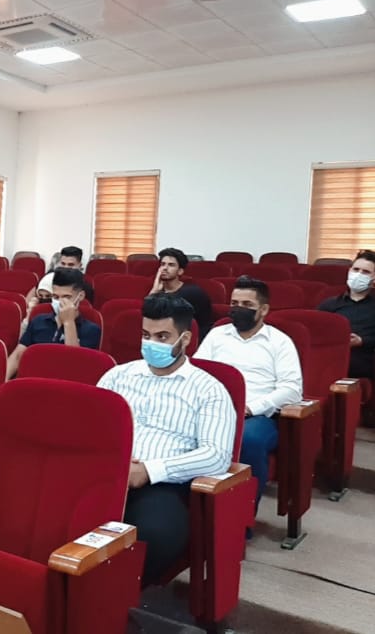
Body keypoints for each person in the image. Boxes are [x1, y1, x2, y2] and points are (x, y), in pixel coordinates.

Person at [97, 294, 235, 585]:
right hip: (105, 474)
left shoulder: (209, 390)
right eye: (146, 335)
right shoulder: (116, 376)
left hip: (162, 485)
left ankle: (111, 598)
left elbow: (216, 455)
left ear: (185, 339)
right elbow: (90, 426)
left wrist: (149, 470)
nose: (151, 343)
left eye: (162, 337)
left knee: (156, 534)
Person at [195, 276, 302, 514]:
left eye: (247, 305)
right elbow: (199, 372)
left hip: (257, 415)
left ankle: (241, 517)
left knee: (249, 441)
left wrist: (251, 408)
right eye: (234, 303)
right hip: (215, 408)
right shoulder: (217, 335)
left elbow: (292, 389)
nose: (238, 309)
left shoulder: (280, 342)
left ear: (263, 310)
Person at [6, 268, 101, 379]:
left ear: (80, 296)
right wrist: (2, 381)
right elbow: (17, 356)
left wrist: (68, 322)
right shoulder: (38, 321)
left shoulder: (91, 330)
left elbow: (75, 365)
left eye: (66, 297)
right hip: (33, 379)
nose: (60, 302)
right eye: (55, 297)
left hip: (64, 383)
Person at [318, 250, 375, 380]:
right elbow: (315, 334)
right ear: (349, 271)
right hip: (330, 361)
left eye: (365, 272)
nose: (358, 275)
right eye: (356, 269)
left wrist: (362, 341)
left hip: (362, 364)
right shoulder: (328, 304)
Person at [149, 248, 212, 341]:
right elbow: (146, 318)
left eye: (171, 265)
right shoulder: (156, 292)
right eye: (163, 264)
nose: (165, 268)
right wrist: (153, 292)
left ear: (180, 271)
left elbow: (204, 325)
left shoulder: (193, 293)